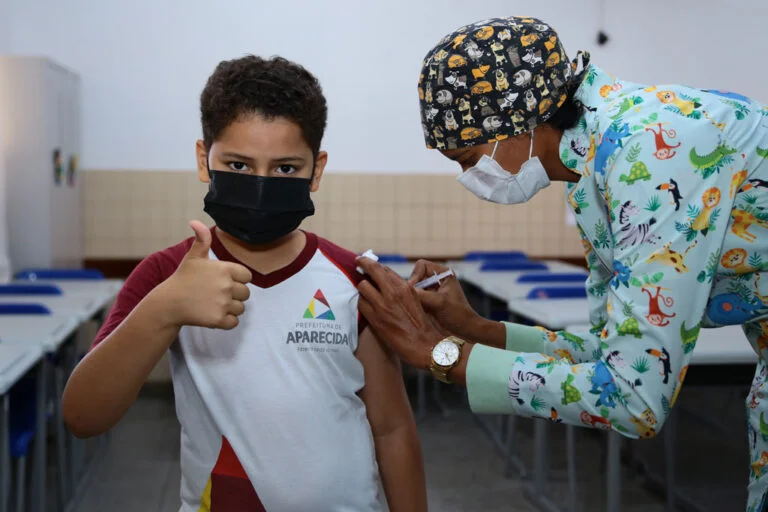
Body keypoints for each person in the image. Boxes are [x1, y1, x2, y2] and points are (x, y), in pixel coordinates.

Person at [355, 15, 768, 510]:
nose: (469, 177)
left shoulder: (652, 150)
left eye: (467, 158)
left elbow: (634, 397)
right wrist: (476, 329)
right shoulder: (591, 170)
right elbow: (607, 353)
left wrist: (441, 355)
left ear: (516, 120)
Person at [63, 55, 427, 512]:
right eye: (237, 165)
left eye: (285, 169)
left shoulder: (352, 279)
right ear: (204, 159)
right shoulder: (166, 275)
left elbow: (392, 427)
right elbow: (83, 415)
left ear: (316, 170)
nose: (260, 184)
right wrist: (165, 309)